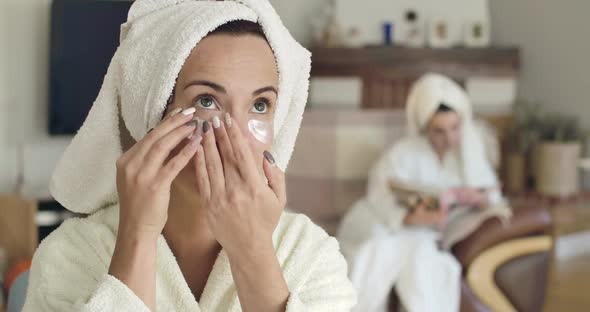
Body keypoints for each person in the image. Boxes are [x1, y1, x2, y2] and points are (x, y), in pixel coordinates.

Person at [23, 1, 355, 311]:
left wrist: (252, 253)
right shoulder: (71, 254)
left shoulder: (311, 254)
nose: (234, 135)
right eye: (207, 101)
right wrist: (137, 235)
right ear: (154, 116)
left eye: (259, 105)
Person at [337, 73, 511, 312]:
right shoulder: (402, 153)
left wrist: (478, 197)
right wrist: (408, 218)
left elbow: (493, 196)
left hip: (424, 236)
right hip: (383, 224)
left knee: (428, 261)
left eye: (454, 128)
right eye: (439, 131)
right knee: (379, 250)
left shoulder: (469, 154)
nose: (449, 138)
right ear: (425, 127)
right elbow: (378, 196)